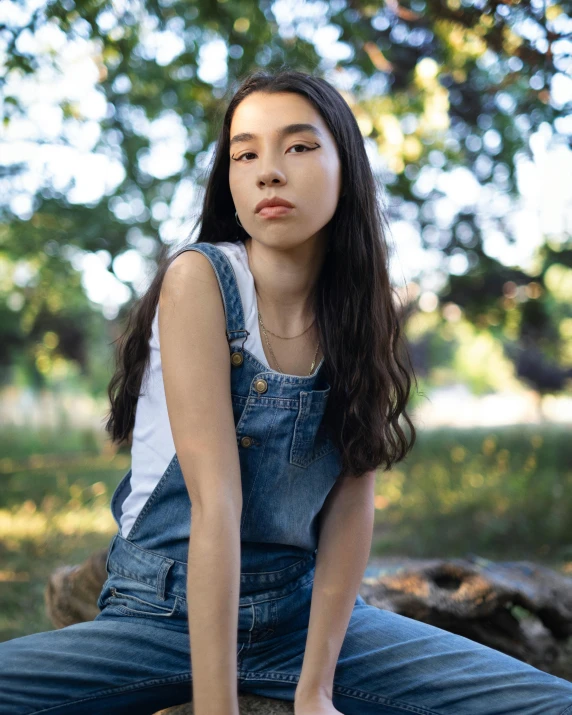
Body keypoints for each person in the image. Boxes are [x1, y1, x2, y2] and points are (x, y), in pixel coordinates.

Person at [1, 68, 571, 715]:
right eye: (245, 154)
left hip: (302, 617)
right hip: (163, 612)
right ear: (232, 180)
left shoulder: (362, 309)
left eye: (298, 146)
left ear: (345, 167)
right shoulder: (200, 280)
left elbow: (353, 502)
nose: (269, 171)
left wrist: (316, 688)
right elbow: (216, 502)